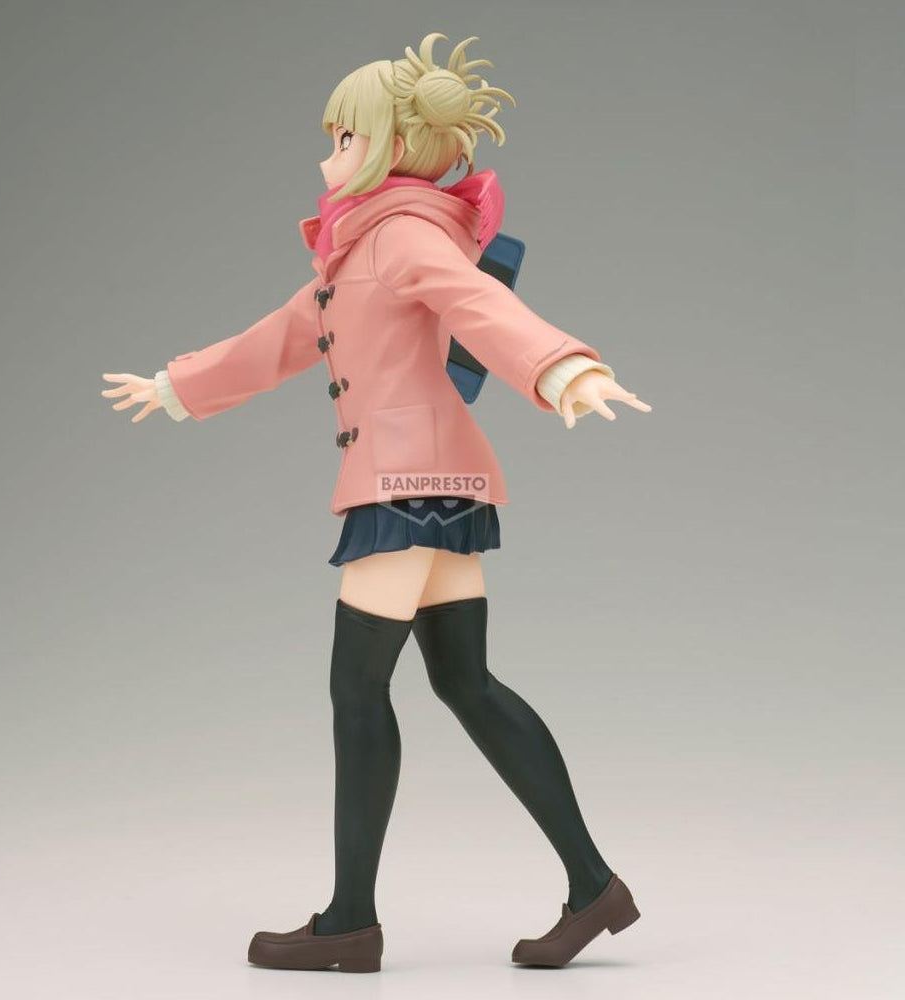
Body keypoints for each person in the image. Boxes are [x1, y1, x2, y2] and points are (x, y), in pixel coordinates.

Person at [102, 31, 651, 973]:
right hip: (446, 482)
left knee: (358, 690)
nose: (329, 156)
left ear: (391, 147)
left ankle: (350, 921)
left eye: (345, 138)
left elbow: (478, 305)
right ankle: (594, 886)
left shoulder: (401, 234)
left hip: (404, 485)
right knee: (467, 685)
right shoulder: (364, 247)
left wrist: (561, 367)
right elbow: (281, 337)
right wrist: (178, 385)